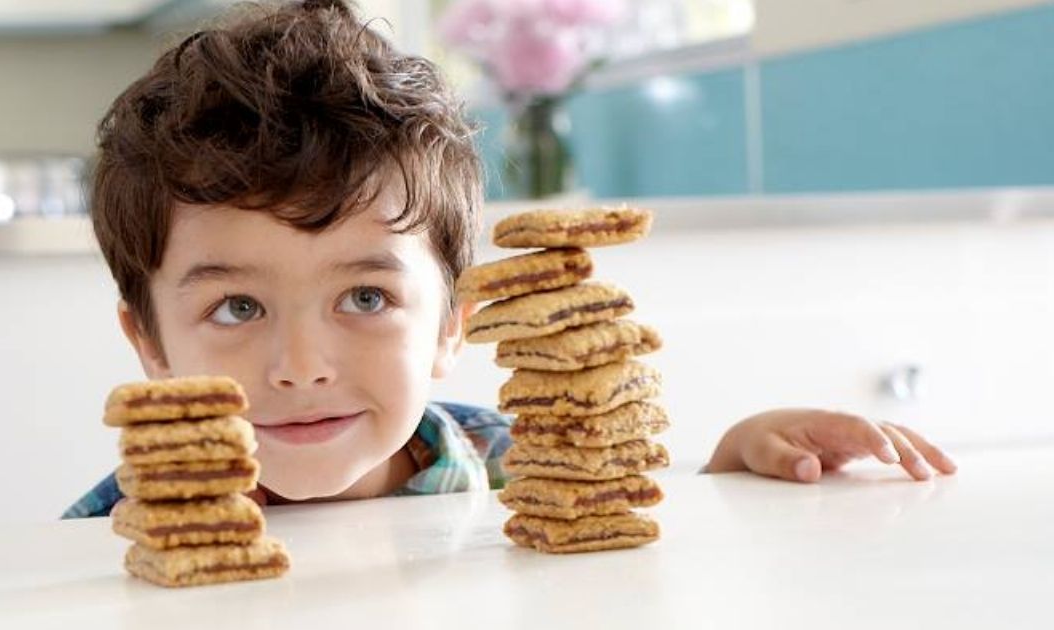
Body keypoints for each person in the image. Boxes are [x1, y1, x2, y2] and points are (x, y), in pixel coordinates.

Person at [63, 0, 954, 518]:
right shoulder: (121, 526)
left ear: (455, 321)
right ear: (147, 341)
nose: (301, 369)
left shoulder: (522, 465)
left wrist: (736, 474)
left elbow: (624, 545)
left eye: (366, 298)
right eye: (238, 308)